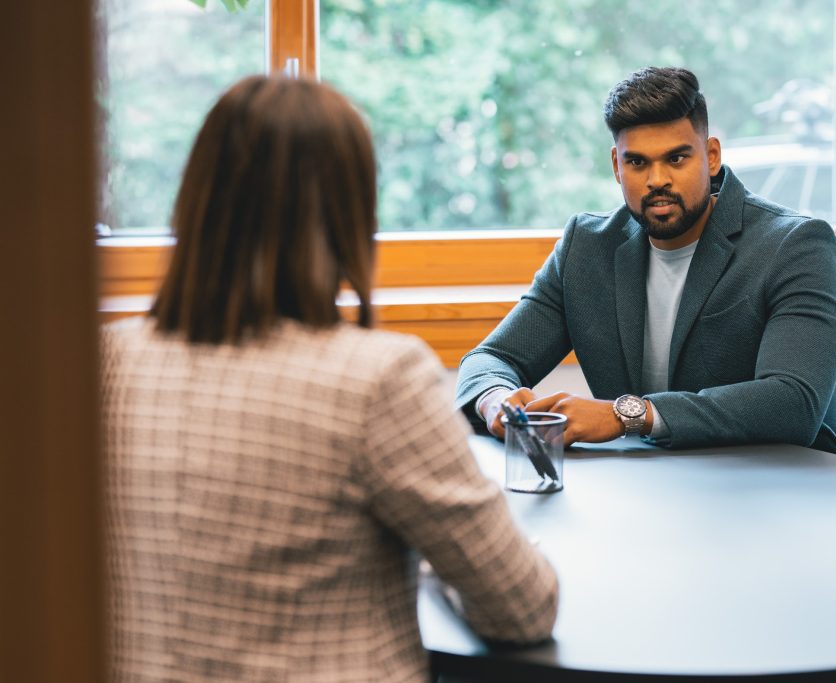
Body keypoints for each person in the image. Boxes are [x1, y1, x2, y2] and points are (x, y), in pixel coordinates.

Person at [100, 75, 558, 682]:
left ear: (196, 201)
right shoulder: (376, 379)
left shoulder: (101, 363)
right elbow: (522, 608)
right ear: (346, 217)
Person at [455, 66, 836, 452]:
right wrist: (495, 400)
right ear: (616, 166)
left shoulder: (794, 245)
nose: (657, 179)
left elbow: (794, 403)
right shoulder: (586, 248)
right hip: (642, 489)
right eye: (637, 162)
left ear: (711, 157)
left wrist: (628, 415)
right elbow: (491, 358)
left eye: (676, 159)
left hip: (772, 488)